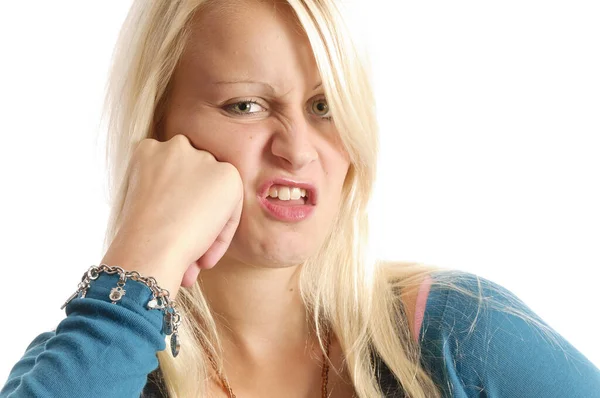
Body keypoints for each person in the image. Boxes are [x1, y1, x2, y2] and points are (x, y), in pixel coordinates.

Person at [2, 0, 599, 397]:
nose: (297, 149)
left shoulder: (458, 334)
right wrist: (134, 269)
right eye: (246, 105)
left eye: (324, 106)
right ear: (160, 134)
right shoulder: (96, 359)